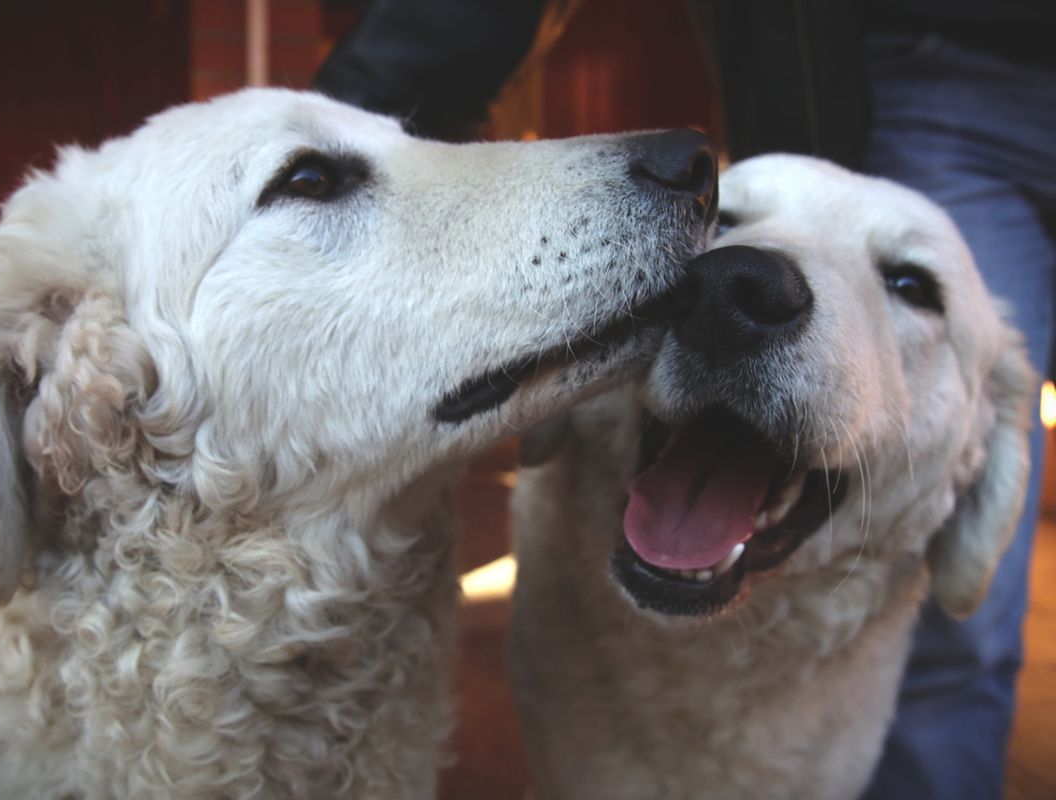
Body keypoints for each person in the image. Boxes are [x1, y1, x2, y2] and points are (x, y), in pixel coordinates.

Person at [314, 2, 1056, 798]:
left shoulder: (970, 424)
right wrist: (333, 148)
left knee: (964, 648)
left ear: (983, 450)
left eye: (908, 283)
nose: (751, 274)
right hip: (917, 68)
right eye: (728, 221)